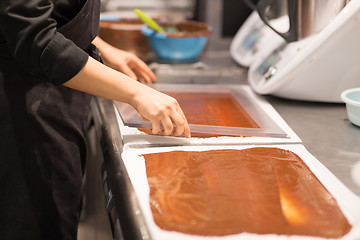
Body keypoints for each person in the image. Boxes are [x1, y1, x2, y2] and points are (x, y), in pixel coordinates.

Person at [0, 0, 191, 239]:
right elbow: (34, 38)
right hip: (22, 105)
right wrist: (135, 92)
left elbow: (53, 14)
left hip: (52, 96)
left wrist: (100, 47)